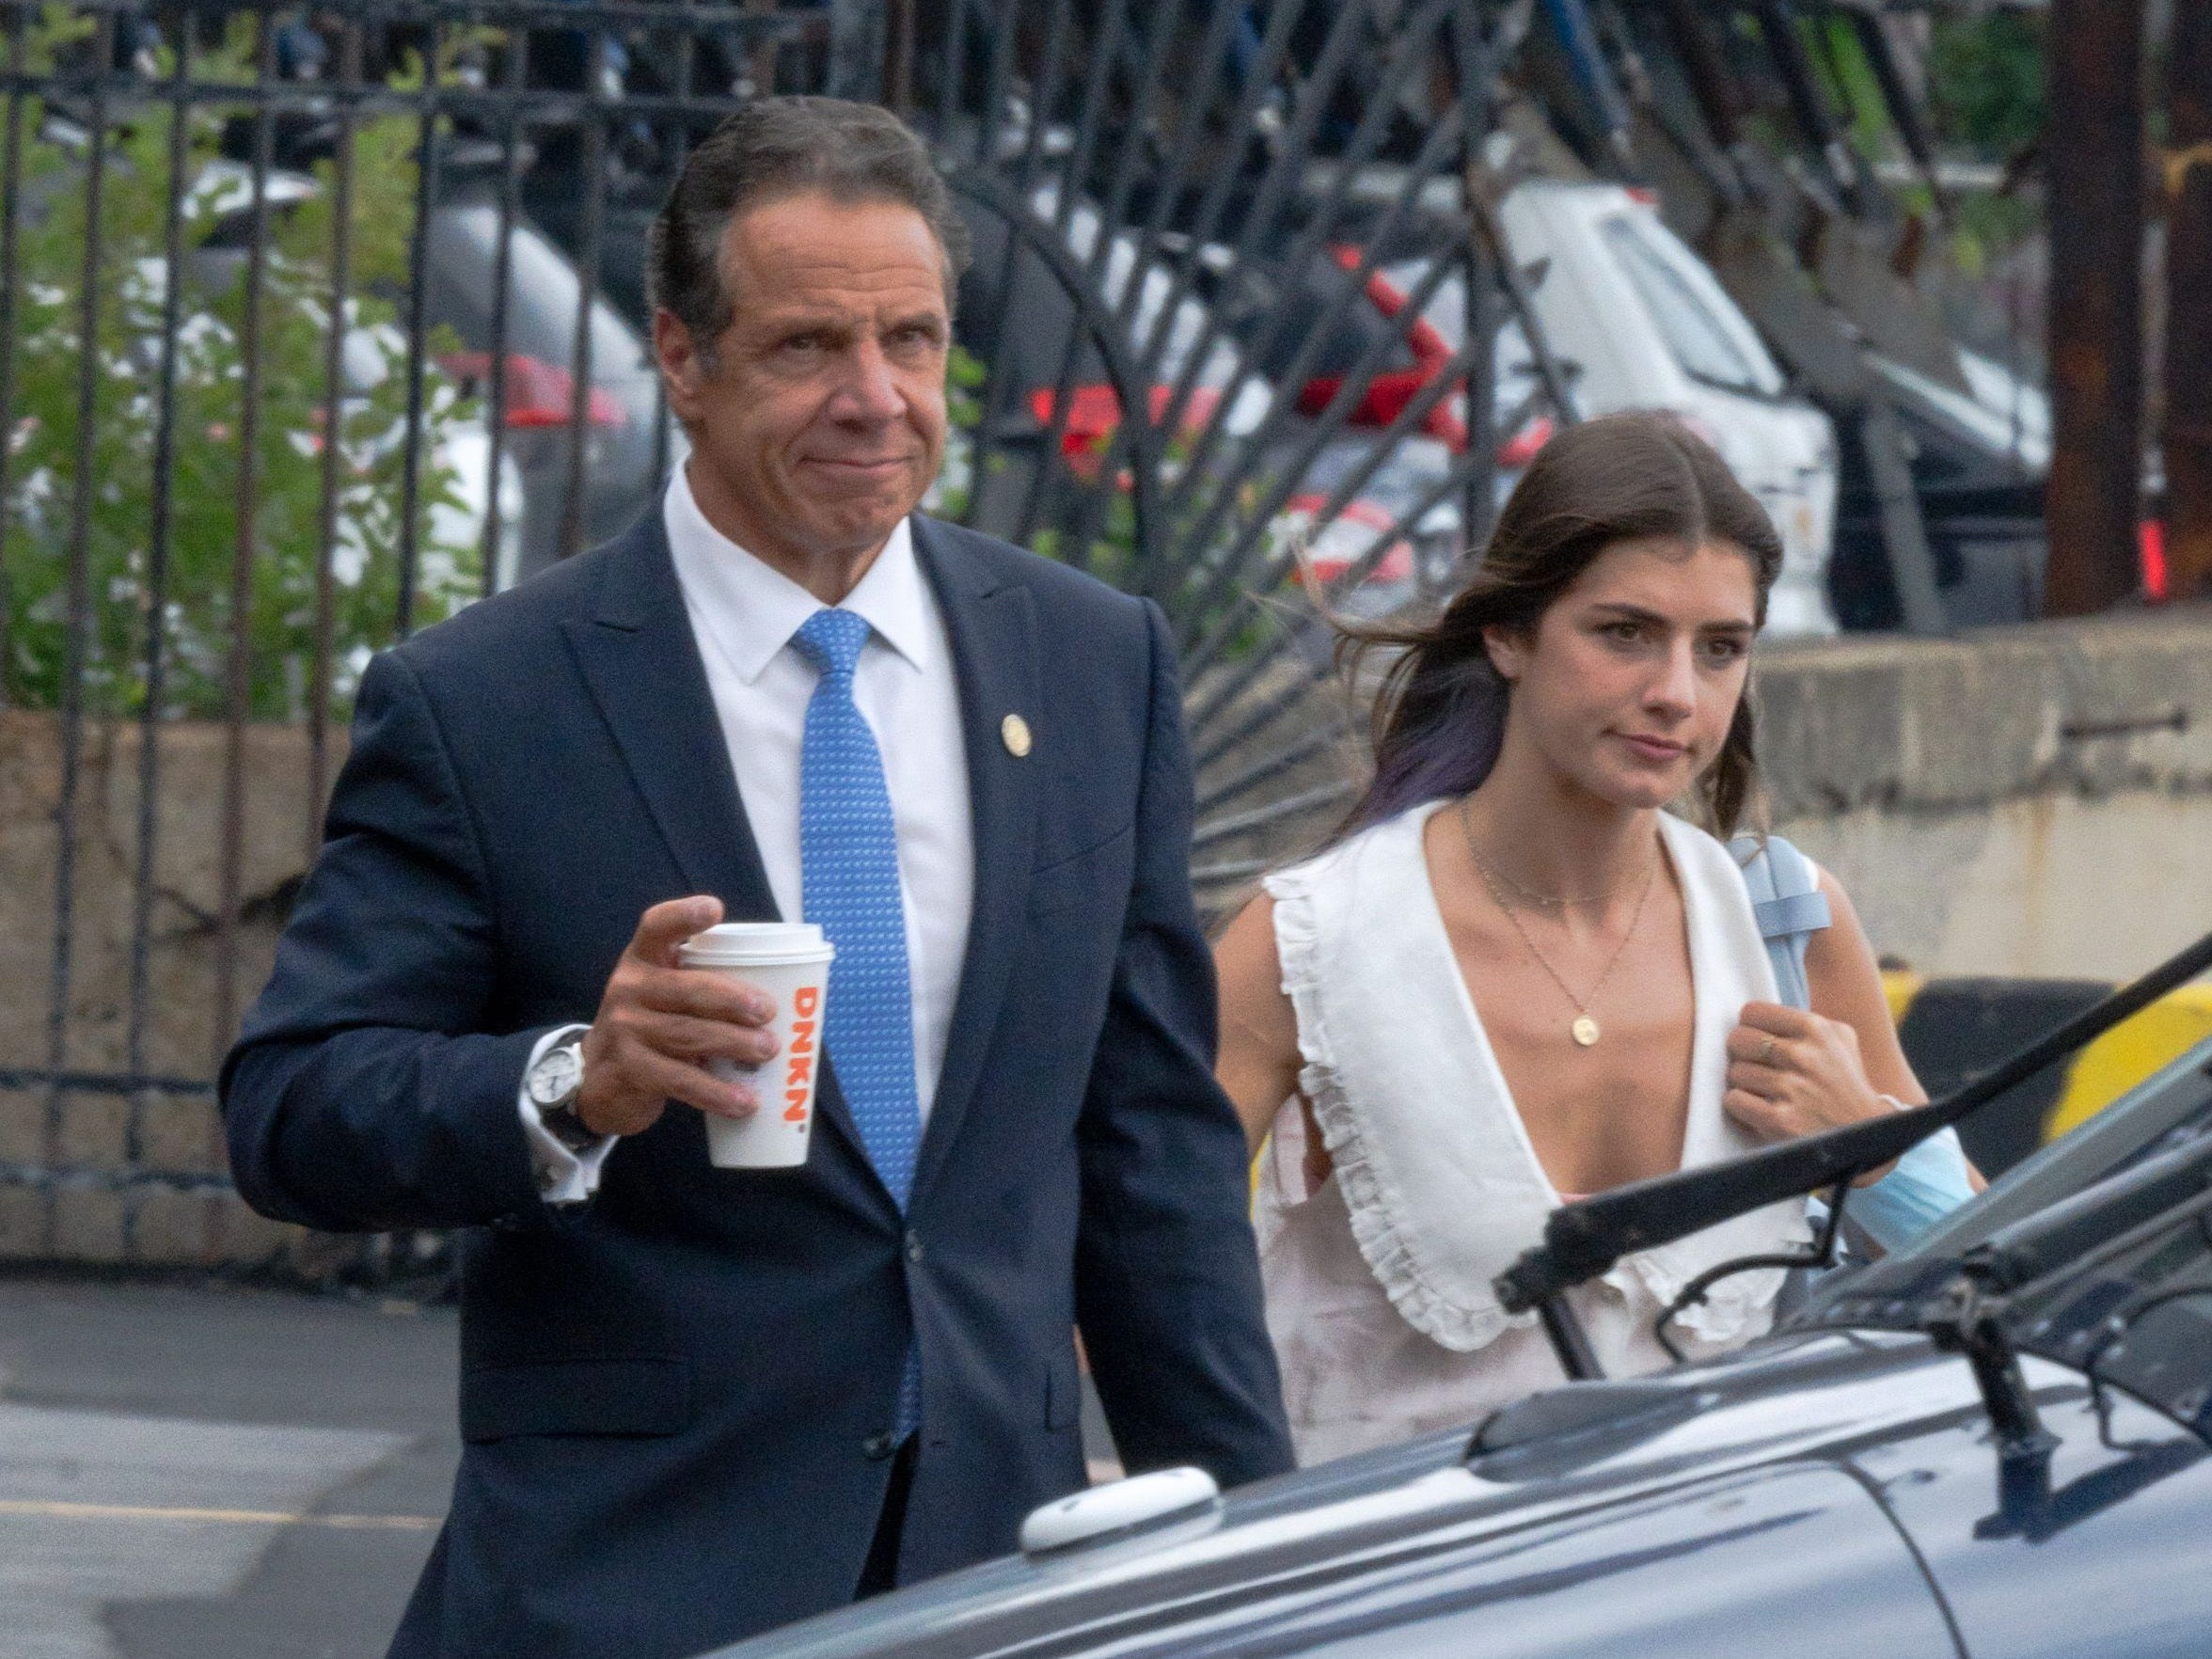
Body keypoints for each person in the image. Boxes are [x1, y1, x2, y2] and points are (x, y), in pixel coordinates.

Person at [221, 96, 1292, 1659]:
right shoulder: (488, 700)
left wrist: (1257, 1549)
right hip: (629, 1579)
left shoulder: (1089, 662)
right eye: (806, 348)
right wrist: (573, 1081)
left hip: (993, 1569)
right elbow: (292, 1109)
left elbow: (1152, 1159)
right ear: (679, 356)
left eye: (913, 341)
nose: (876, 399)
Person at [1213, 413, 1973, 1465]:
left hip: (1696, 1586)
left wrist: (1871, 1144)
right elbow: (1141, 1288)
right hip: (1381, 1597)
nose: (1675, 692)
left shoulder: (1786, 920)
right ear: (1509, 633)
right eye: (1624, 632)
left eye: (1721, 649)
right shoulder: (1307, 941)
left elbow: (1989, 1266)